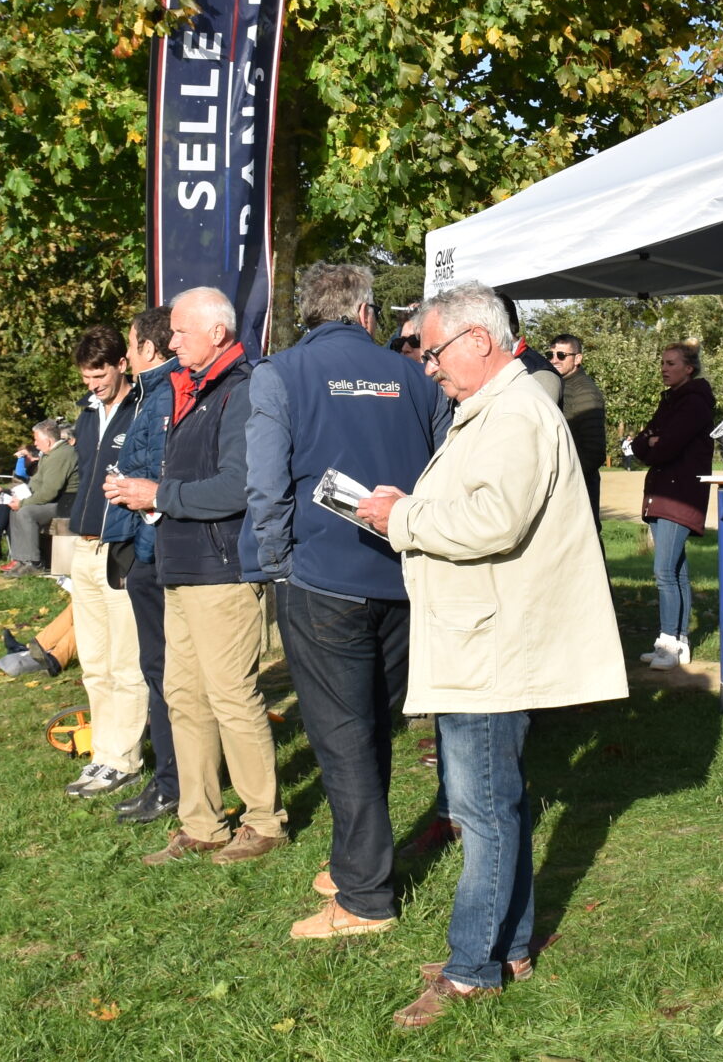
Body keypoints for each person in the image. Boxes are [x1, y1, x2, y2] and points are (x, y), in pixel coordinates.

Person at [358, 282, 626, 1029]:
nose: (428, 367)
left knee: (483, 812)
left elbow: (493, 520)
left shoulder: (513, 412)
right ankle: (507, 948)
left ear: (477, 339)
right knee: (494, 804)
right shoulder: (500, 406)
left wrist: (401, 516)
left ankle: (472, 967)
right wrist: (408, 508)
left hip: (490, 644)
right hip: (484, 635)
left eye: (432, 351)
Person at [248, 263, 449, 941]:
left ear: (310, 312)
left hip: (323, 578)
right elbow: (444, 468)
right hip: (403, 574)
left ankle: (365, 896)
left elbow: (266, 485)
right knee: (371, 728)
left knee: (342, 736)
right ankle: (354, 860)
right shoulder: (417, 376)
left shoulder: (280, 373)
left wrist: (277, 567)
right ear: (366, 313)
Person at [107, 287, 281, 867]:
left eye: (180, 331)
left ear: (217, 332)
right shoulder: (192, 388)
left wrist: (158, 495)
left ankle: (264, 820)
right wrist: (144, 495)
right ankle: (201, 823)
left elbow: (238, 486)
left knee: (231, 695)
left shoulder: (244, 388)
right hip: (179, 563)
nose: (171, 340)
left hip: (222, 567)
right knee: (183, 697)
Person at [55, 327, 154, 798]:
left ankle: (124, 759)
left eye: (100, 375)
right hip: (83, 546)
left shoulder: (143, 409)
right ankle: (102, 754)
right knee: (93, 663)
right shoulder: (87, 413)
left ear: (121, 364)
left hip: (121, 548)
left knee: (124, 663)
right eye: (86, 377)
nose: (93, 385)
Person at [101, 306, 181, 827]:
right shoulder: (154, 392)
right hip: (148, 548)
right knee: (160, 669)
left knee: (162, 670)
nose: (126, 355)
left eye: (130, 345)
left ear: (148, 349)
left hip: (154, 551)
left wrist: (139, 550)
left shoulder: (163, 393)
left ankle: (173, 781)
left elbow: (156, 474)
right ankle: (172, 777)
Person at [630, 342, 716, 667]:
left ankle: (668, 642)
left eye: (671, 363)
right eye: (663, 363)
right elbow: (640, 444)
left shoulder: (694, 403)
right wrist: (651, 442)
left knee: (664, 571)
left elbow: (665, 447)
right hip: (661, 493)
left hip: (679, 496)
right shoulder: (669, 401)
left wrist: (655, 443)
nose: (664, 369)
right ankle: (678, 642)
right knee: (676, 570)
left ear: (688, 368)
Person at [0, 422, 77, 572]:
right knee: (14, 510)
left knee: (26, 512)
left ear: (48, 441)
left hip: (66, 504)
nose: (35, 443)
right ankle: (20, 559)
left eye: (36, 439)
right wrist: (18, 496)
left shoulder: (61, 455)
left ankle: (33, 562)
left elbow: (49, 491)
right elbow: (36, 481)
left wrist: (23, 503)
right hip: (56, 501)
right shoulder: (49, 454)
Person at [547, 334, 609, 518]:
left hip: (577, 490)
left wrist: (564, 478)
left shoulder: (585, 392)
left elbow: (594, 450)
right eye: (550, 355)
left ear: (578, 359)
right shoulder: (559, 385)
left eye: (561, 355)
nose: (555, 360)